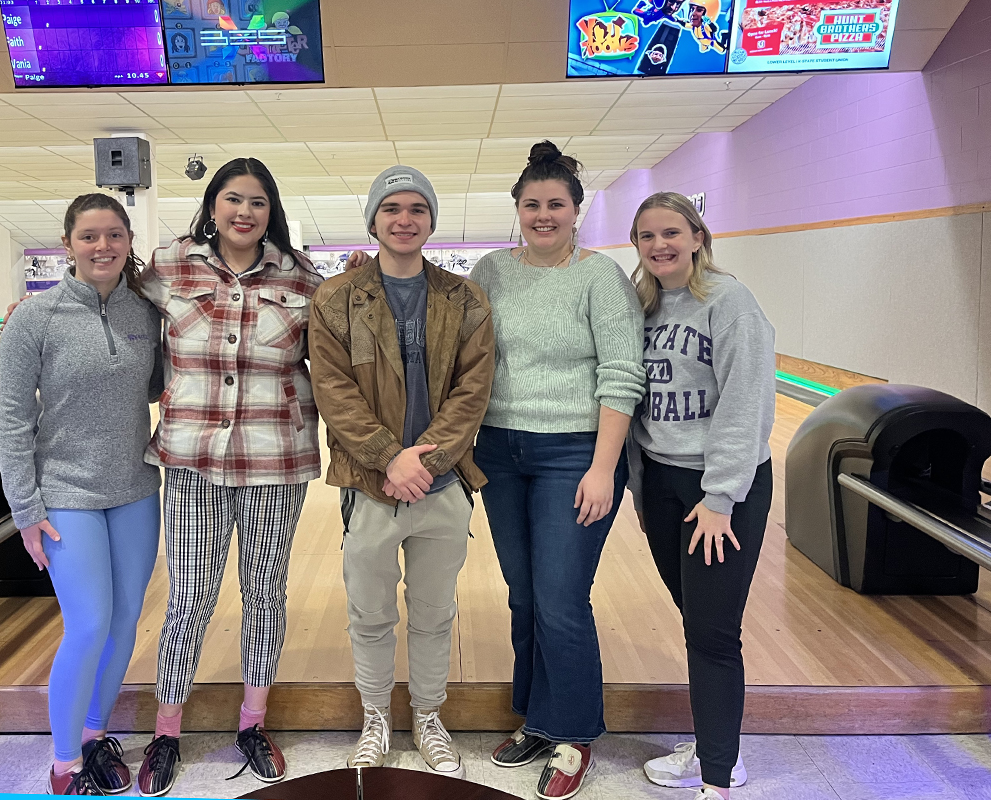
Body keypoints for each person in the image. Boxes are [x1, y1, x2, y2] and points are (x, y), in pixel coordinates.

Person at [135, 157, 324, 795]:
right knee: (190, 597)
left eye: (258, 202)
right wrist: (49, 304)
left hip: (276, 462)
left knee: (265, 596)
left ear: (272, 212)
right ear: (212, 205)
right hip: (192, 462)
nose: (245, 212)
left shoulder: (303, 280)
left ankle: (252, 722)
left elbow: (339, 351)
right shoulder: (169, 266)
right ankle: (166, 732)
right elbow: (108, 305)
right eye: (233, 199)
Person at [469, 141, 646, 800]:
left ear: (576, 211)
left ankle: (573, 734)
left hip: (576, 453)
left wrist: (604, 468)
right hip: (500, 452)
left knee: (562, 599)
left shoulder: (601, 278)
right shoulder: (490, 271)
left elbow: (621, 373)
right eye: (532, 205)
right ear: (517, 210)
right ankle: (537, 718)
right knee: (524, 595)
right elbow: (465, 356)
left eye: (555, 205)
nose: (543, 215)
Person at [308, 166, 495, 779]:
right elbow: (333, 392)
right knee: (370, 613)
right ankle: (374, 717)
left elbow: (474, 390)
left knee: (436, 611)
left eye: (417, 208)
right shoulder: (336, 299)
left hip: (443, 485)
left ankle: (429, 715)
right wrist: (390, 457)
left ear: (431, 222)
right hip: (370, 487)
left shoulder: (464, 299)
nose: (404, 218)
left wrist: (427, 458)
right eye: (392, 208)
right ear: (373, 221)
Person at [0, 193, 164, 796]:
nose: (103, 246)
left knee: (123, 622)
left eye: (114, 235)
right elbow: (12, 419)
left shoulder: (145, 313)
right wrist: (26, 510)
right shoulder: (33, 319)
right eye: (90, 236)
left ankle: (95, 738)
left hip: (137, 488)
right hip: (66, 489)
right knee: (88, 623)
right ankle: (64, 762)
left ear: (128, 243)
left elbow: (164, 386)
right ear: (67, 242)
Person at [627, 191, 775, 800]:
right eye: (647, 237)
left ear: (696, 237)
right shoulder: (641, 307)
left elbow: (746, 403)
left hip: (718, 491)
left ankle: (718, 779)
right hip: (661, 484)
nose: (660, 245)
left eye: (671, 233)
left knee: (714, 633)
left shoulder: (730, 302)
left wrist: (719, 497)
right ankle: (718, 744)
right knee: (699, 622)